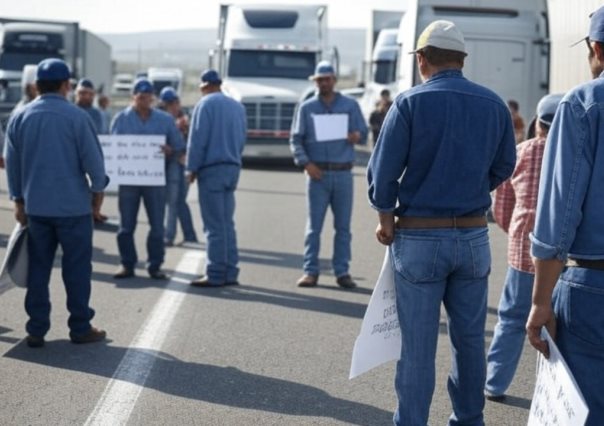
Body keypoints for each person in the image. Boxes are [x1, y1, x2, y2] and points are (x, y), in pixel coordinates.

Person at [366, 20, 516, 425]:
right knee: (469, 342)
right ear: (462, 60)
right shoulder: (493, 104)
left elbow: (383, 176)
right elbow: (505, 165)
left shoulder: (409, 103)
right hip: (472, 237)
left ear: (421, 59)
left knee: (418, 347)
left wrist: (385, 219)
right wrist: (471, 190)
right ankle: (469, 420)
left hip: (417, 237)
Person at [526, 7, 604, 424]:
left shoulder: (585, 103)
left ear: (596, 48)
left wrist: (540, 301)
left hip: (594, 286)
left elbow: (559, 213)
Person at [4, 58, 108, 347]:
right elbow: (95, 167)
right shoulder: (77, 117)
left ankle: (36, 329)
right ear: (66, 86)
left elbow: (12, 165)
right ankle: (80, 327)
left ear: (36, 85)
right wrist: (97, 198)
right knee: (76, 270)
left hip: (37, 209)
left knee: (38, 269)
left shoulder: (21, 117)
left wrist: (18, 200)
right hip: (73, 208)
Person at [484, 93, 563, 402]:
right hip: (564, 256)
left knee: (512, 318)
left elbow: (501, 208)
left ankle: (495, 383)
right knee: (563, 323)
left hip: (523, 251)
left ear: (537, 124)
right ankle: (559, 395)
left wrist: (516, 232)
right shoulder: (577, 152)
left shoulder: (519, 153)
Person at [290, 61, 368, 289]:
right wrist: (306, 164)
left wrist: (356, 136)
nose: (323, 83)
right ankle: (310, 271)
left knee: (343, 227)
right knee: (314, 227)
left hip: (343, 173)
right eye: (319, 79)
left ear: (334, 80)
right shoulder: (306, 108)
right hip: (317, 174)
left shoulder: (350, 105)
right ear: (315, 82)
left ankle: (342, 271)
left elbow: (363, 133)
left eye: (327, 79)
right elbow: (295, 139)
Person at [111, 78, 185, 280]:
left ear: (153, 98)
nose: (144, 100)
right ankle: (127, 264)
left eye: (148, 97)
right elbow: (112, 148)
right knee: (126, 225)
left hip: (154, 181)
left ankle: (155, 265)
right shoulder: (121, 119)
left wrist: (170, 150)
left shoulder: (164, 120)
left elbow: (179, 145)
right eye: (140, 96)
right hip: (129, 181)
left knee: (157, 225)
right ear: (133, 96)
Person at [186, 69, 246, 287]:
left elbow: (198, 139)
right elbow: (241, 139)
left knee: (213, 225)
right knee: (227, 223)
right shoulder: (237, 106)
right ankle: (231, 271)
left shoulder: (205, 105)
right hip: (232, 167)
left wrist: (191, 168)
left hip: (212, 169)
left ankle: (215, 272)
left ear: (205, 86)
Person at [158, 86, 197, 246]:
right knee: (175, 201)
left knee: (177, 200)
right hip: (168, 164)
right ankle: (188, 236)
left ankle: (170, 236)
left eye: (175, 103)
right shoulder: (159, 119)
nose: (173, 106)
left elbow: (193, 141)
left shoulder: (185, 120)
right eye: (169, 104)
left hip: (180, 163)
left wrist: (188, 157)